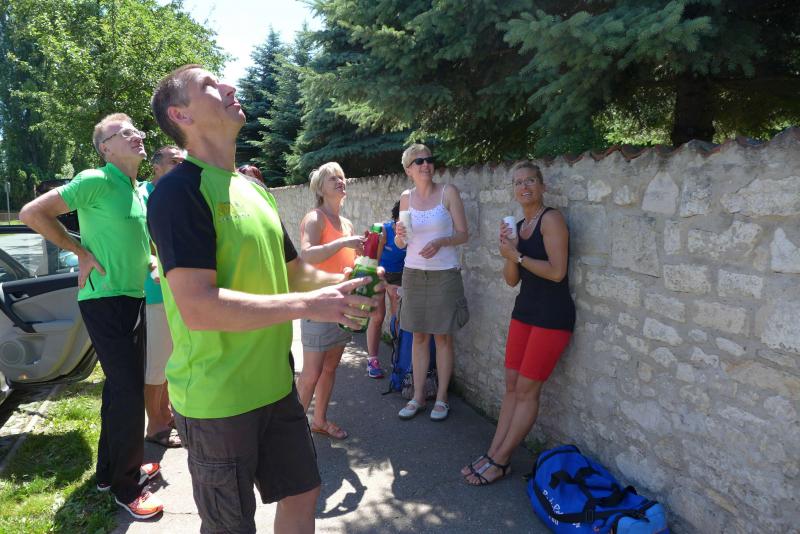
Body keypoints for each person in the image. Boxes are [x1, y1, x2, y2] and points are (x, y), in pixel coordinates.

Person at [148, 64, 378, 534]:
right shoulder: (177, 193)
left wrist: (345, 284)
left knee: (303, 493)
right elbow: (199, 307)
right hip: (217, 400)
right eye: (209, 85)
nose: (228, 86)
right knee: (231, 526)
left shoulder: (255, 190)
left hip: (276, 387)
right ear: (180, 115)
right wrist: (310, 305)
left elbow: (293, 273)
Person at [19, 113, 163, 519]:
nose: (138, 135)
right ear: (105, 148)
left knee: (120, 390)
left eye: (137, 130)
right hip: (106, 300)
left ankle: (109, 472)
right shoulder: (95, 179)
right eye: (125, 132)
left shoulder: (134, 188)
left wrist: (150, 259)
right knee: (130, 391)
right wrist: (79, 252)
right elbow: (32, 212)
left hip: (131, 296)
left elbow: (127, 239)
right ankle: (126, 487)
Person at [461, 160, 575, 486]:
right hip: (524, 311)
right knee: (511, 384)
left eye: (530, 181)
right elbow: (512, 280)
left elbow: (557, 272)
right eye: (518, 182)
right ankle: (493, 452)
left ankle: (500, 460)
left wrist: (520, 256)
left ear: (542, 186)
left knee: (526, 390)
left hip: (552, 316)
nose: (524, 187)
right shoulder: (520, 225)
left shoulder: (551, 219)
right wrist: (507, 252)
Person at [394, 144, 469, 422]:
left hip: (444, 274)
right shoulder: (406, 198)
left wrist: (441, 241)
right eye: (419, 161)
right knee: (419, 336)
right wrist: (399, 235)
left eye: (428, 159)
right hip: (413, 273)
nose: (426, 164)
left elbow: (463, 234)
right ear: (408, 170)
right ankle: (418, 396)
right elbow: (402, 242)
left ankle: (441, 397)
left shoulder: (448, 192)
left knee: (443, 337)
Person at [296, 162, 364, 440]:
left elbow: (348, 263)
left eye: (342, 177)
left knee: (330, 367)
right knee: (311, 373)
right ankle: (293, 434)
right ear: (320, 188)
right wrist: (343, 243)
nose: (340, 181)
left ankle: (319, 420)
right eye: (332, 178)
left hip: (342, 305)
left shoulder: (346, 224)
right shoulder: (315, 218)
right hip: (318, 304)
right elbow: (307, 255)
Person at [140, 145, 185, 448]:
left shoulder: (176, 195)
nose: (181, 165)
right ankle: (154, 424)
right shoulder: (143, 195)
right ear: (156, 166)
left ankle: (166, 413)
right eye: (174, 161)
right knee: (156, 362)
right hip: (154, 290)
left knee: (170, 357)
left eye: (183, 161)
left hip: (175, 289)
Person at [365, 200, 406, 375]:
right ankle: (372, 360)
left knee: (399, 318)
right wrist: (387, 285)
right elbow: (374, 261)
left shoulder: (412, 232)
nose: (401, 227)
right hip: (379, 273)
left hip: (399, 275)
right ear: (395, 219)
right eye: (399, 222)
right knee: (378, 316)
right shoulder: (384, 231)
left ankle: (399, 359)